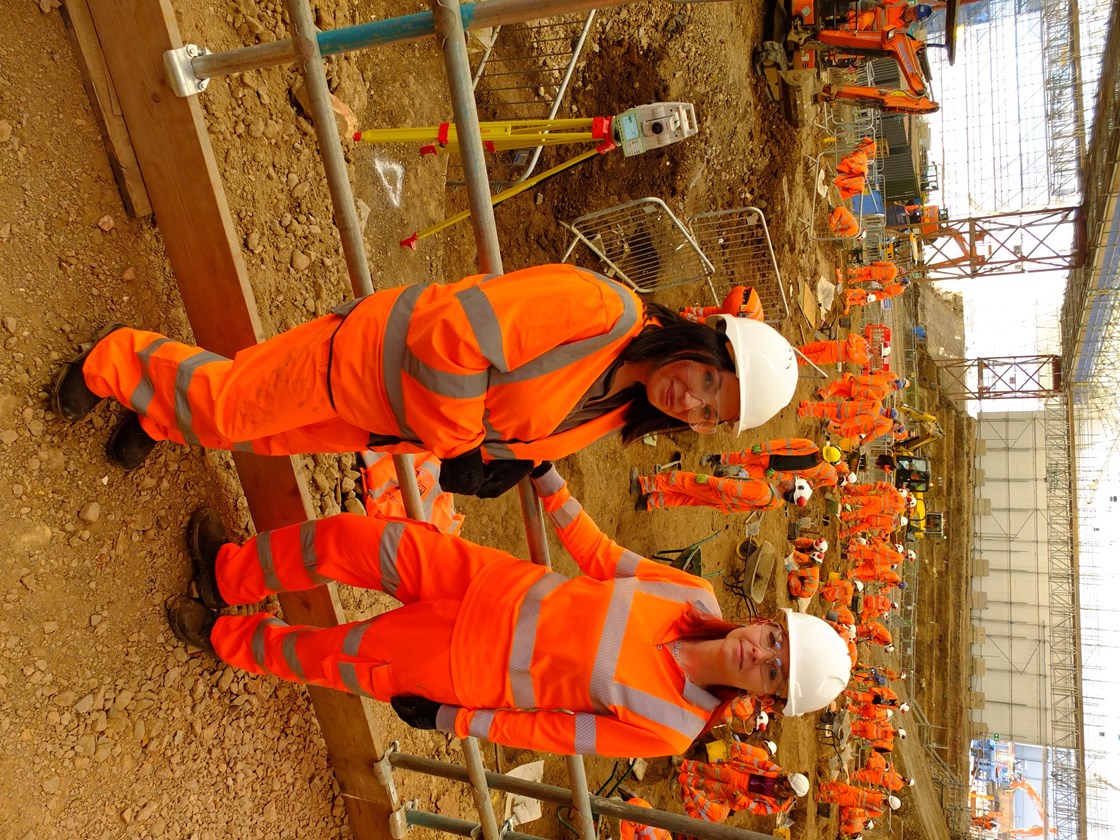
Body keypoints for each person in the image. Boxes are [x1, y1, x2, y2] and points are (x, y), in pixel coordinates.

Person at [165, 464, 852, 758]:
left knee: (328, 654)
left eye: (772, 670)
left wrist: (451, 718)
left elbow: (551, 735)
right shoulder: (691, 596)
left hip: (460, 665)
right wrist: (550, 479)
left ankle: (227, 637)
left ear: (762, 695)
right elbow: (603, 556)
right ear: (767, 622)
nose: (760, 653)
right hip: (483, 580)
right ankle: (230, 573)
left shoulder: (670, 728)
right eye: (773, 640)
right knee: (347, 540)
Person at [51, 265, 799, 496]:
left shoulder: (620, 406)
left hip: (383, 418)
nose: (692, 397)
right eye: (707, 378)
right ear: (705, 341)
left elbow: (528, 431)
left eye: (710, 410)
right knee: (226, 408)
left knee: (258, 431)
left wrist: (510, 464)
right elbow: (454, 334)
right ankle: (115, 360)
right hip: (370, 359)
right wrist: (460, 444)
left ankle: (153, 416)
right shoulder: (598, 309)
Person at [633, 471, 811, 514]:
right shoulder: (776, 503)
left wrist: (710, 480)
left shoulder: (764, 490)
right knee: (685, 498)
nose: (789, 478)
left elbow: (732, 488)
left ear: (789, 488)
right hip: (721, 501)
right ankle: (648, 502)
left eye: (792, 481)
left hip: (717, 491)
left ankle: (643, 485)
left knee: (681, 481)